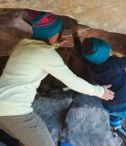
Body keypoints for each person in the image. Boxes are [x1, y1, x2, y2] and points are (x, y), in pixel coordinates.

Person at [0, 10, 114, 146]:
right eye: (58, 32)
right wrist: (100, 92)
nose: (59, 34)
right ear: (50, 34)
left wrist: (54, 44)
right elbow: (73, 81)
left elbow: (40, 50)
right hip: (15, 110)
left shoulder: (23, 44)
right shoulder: (46, 54)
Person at [73, 28, 126, 144]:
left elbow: (80, 53)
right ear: (106, 50)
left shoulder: (90, 64)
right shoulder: (114, 62)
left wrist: (75, 38)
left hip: (108, 102)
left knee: (115, 113)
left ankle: (116, 128)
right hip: (124, 102)